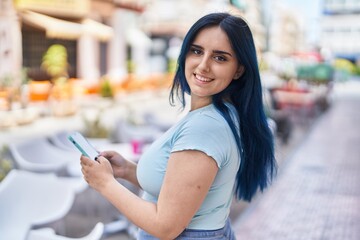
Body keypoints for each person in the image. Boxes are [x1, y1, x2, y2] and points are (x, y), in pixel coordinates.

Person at [80, 12, 277, 240]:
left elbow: (166, 226)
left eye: (220, 58)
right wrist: (126, 170)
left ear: (239, 70)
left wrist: (105, 184)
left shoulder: (205, 127)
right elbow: (182, 188)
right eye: (196, 51)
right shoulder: (218, 113)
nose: (203, 66)